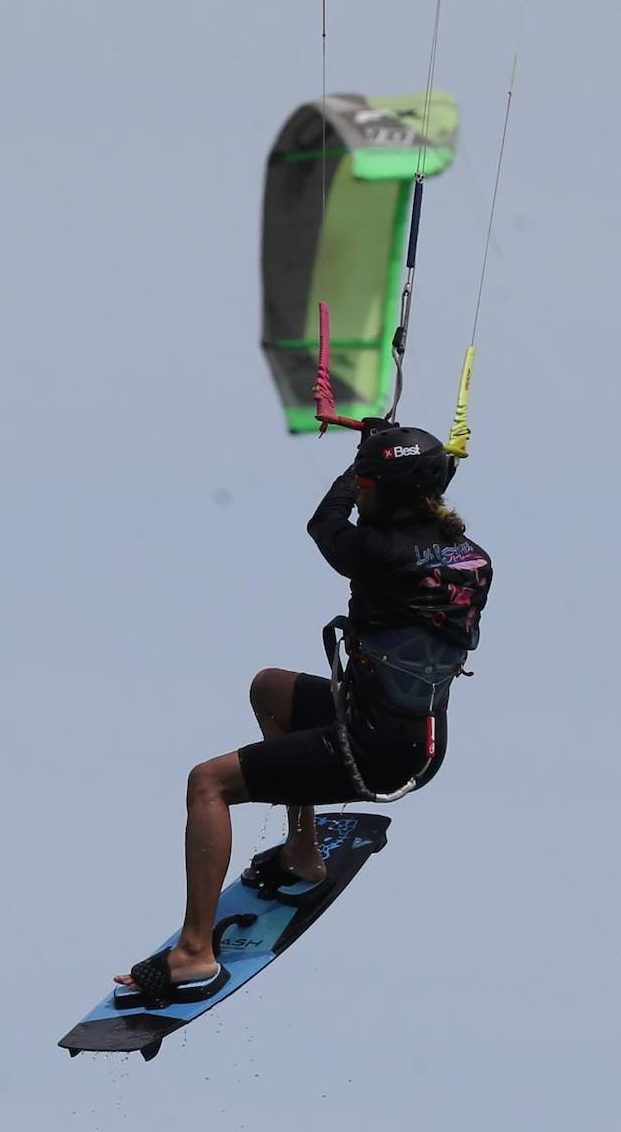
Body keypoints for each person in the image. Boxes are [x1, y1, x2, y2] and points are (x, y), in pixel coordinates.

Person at [115, 422, 492, 1003]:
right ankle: (302, 852)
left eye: (368, 483)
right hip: (418, 736)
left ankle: (193, 954)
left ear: (389, 493)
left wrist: (357, 462)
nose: (360, 489)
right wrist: (384, 463)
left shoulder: (377, 552)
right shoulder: (471, 556)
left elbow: (325, 525)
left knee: (207, 783)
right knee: (270, 689)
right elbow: (410, 521)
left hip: (374, 749)